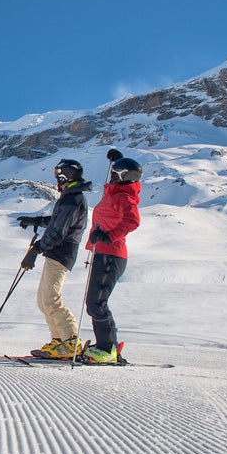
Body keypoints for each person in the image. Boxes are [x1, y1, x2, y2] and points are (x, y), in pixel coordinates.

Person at [18, 158, 91, 359]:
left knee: (51, 298)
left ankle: (70, 343)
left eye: (58, 176)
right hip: (57, 253)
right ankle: (58, 341)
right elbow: (57, 222)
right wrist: (37, 221)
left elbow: (59, 231)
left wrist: (36, 249)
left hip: (61, 252)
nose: (56, 181)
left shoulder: (72, 199)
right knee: (44, 301)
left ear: (64, 177)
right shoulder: (71, 198)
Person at [81, 150, 142, 363]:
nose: (112, 175)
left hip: (111, 254)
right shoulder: (115, 192)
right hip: (102, 252)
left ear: (126, 176)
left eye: (117, 173)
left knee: (97, 302)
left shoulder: (125, 196)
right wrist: (116, 160)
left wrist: (108, 236)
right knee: (93, 302)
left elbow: (132, 221)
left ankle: (108, 348)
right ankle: (106, 345)